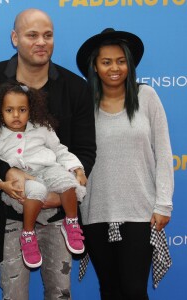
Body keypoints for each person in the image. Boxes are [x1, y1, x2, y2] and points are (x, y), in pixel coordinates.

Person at [0, 8, 96, 300]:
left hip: (60, 216)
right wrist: (5, 172)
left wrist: (62, 191)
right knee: (13, 293)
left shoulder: (76, 88)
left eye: (48, 35)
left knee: (61, 292)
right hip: (9, 213)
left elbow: (84, 150)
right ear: (15, 38)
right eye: (32, 35)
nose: (41, 42)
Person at [76, 28, 174, 299]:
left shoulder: (147, 97)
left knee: (134, 291)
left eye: (120, 61)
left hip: (140, 213)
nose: (114, 68)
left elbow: (164, 153)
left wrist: (163, 203)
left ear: (129, 64)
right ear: (94, 67)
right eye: (106, 62)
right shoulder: (83, 105)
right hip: (95, 211)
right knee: (109, 290)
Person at [0, 81, 87, 268]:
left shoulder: (42, 128)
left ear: (30, 109)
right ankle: (28, 233)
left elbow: (60, 150)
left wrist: (77, 169)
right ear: (0, 111)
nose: (16, 115)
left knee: (67, 181)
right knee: (37, 190)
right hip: (23, 178)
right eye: (9, 110)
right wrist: (1, 184)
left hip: (49, 169)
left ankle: (71, 222)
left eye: (22, 110)